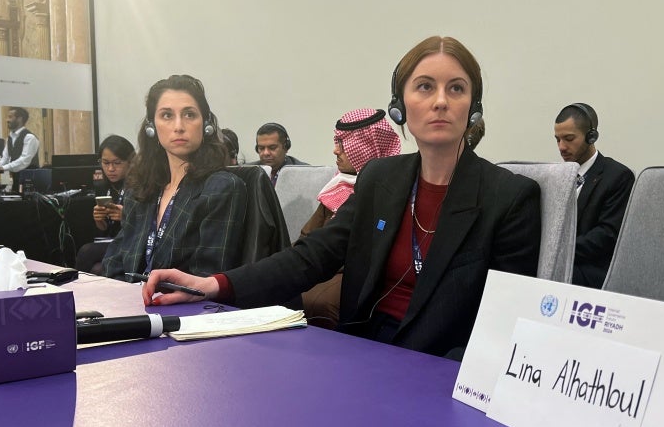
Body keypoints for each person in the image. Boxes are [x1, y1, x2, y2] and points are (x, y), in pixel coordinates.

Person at [143, 36, 542, 359]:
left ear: (473, 108)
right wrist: (213, 284)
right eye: (425, 87)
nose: (441, 100)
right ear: (400, 108)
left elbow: (504, 326)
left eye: (456, 88)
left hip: (439, 370)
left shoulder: (509, 197)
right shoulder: (380, 178)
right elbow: (312, 257)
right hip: (358, 353)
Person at [101, 74, 247, 280]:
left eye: (189, 115)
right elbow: (114, 262)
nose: (178, 126)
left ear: (205, 124)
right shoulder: (140, 187)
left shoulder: (222, 187)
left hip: (181, 307)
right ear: (152, 127)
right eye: (167, 115)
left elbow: (207, 277)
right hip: (129, 303)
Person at [300, 107, 402, 328]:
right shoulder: (337, 186)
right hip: (323, 266)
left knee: (319, 301)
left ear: (366, 147)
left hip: (354, 275)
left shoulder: (392, 190)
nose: (336, 151)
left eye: (344, 144)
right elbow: (307, 236)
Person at [554, 103, 635, 288]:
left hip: (590, 271)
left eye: (568, 139)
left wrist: (559, 252)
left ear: (591, 137)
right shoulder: (558, 176)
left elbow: (606, 235)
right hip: (561, 265)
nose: (561, 147)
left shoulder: (617, 176)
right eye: (557, 139)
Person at [75, 135, 136, 274]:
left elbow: (152, 222)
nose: (110, 169)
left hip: (133, 242)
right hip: (112, 240)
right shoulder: (103, 185)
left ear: (131, 162)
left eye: (117, 163)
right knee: (93, 264)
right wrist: (99, 220)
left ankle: (75, 292)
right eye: (105, 162)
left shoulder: (140, 185)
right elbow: (105, 229)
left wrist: (126, 215)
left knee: (86, 252)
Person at [0, 107, 40, 175]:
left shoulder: (29, 137)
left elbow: (24, 161)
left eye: (10, 117)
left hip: (30, 179)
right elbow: (5, 158)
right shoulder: (9, 138)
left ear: (19, 119)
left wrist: (4, 168)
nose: (7, 120)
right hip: (16, 178)